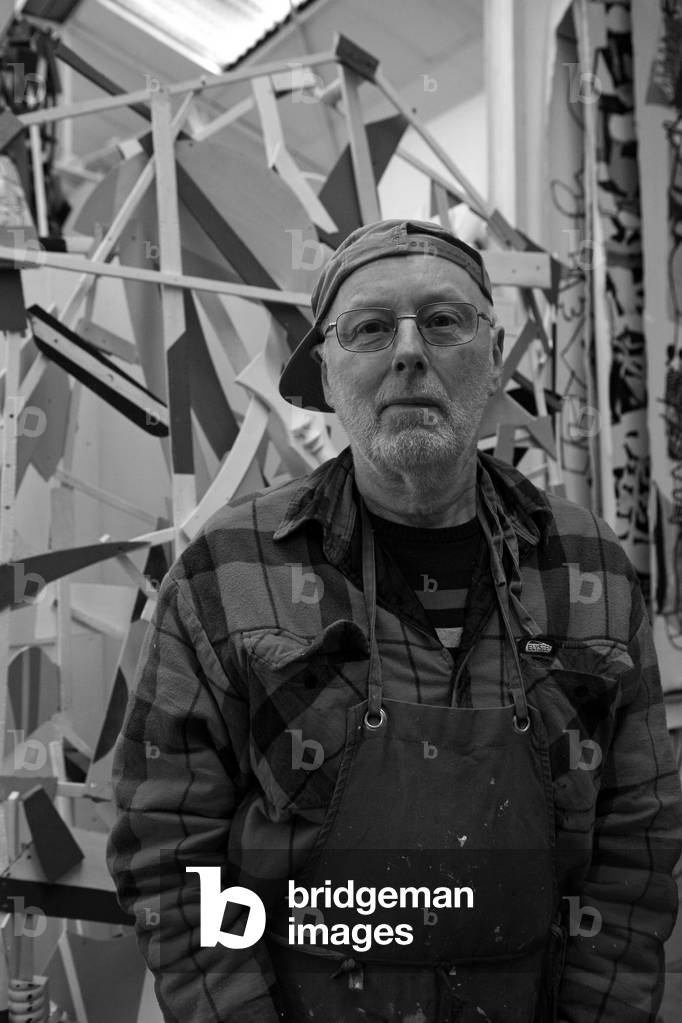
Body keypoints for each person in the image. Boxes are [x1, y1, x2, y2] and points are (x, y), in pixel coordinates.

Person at [106, 219, 682, 1023]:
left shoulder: (588, 568)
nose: (410, 351)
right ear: (326, 369)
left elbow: (638, 849)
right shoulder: (229, 572)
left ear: (494, 349)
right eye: (370, 328)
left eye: (444, 321)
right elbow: (167, 850)